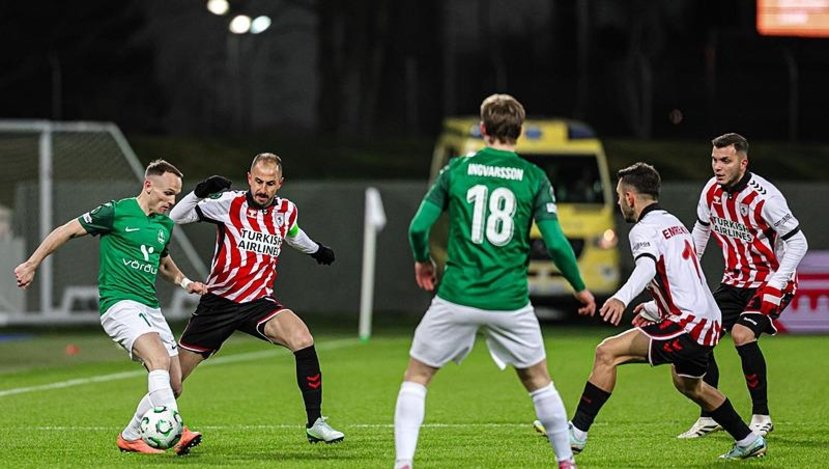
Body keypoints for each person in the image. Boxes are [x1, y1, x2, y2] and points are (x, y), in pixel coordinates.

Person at [393, 93, 596, 469]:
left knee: (417, 376)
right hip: (510, 301)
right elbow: (556, 244)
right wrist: (580, 287)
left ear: (483, 129)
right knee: (539, 381)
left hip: (457, 296)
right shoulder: (534, 178)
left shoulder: (457, 170)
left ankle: (403, 463)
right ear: (520, 131)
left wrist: (423, 261)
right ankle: (565, 461)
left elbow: (418, 227)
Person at [566, 162, 767, 460]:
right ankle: (748, 440)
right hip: (707, 320)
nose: (619, 202)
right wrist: (652, 307)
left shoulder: (643, 229)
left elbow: (647, 267)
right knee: (690, 384)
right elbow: (681, 276)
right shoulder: (672, 222)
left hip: (689, 322)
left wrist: (621, 298)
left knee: (607, 352)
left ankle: (577, 432)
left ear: (630, 198)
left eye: (620, 196)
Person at [14, 159, 208, 455]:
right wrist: (31, 264)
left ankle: (130, 436)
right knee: (157, 359)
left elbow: (163, 263)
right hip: (119, 304)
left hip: (150, 308)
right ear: (148, 185)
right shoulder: (115, 212)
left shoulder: (164, 225)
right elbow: (66, 230)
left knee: (174, 383)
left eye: (176, 195)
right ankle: (176, 429)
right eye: (168, 193)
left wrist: (185, 282)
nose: (172, 201)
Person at [168, 152, 344, 445]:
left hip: (258, 303)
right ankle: (140, 429)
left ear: (280, 183)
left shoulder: (286, 210)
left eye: (270, 183)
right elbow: (174, 218)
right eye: (258, 181)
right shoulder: (228, 204)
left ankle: (315, 423)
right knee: (173, 381)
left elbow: (292, 233)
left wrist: (315, 250)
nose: (263, 189)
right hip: (218, 303)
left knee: (302, 338)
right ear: (249, 178)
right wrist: (199, 193)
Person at [677, 133, 808, 438]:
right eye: (714, 160)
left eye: (725, 160)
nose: (717, 167)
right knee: (699, 336)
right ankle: (709, 416)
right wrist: (686, 274)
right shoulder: (711, 190)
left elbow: (798, 242)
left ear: (743, 163)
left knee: (741, 334)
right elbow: (701, 232)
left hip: (770, 281)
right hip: (734, 280)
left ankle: (761, 416)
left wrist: (777, 282)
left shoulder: (765, 198)